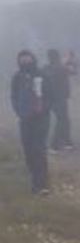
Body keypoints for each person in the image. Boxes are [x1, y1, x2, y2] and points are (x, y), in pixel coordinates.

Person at [10, 50, 51, 195]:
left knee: (38, 149)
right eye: (22, 60)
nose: (25, 62)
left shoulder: (42, 75)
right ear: (19, 61)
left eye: (28, 59)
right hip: (25, 119)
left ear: (33, 59)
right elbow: (14, 96)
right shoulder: (17, 77)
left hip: (41, 120)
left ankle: (41, 184)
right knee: (28, 151)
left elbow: (50, 95)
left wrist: (43, 108)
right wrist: (19, 111)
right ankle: (34, 177)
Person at [43, 49, 74, 152]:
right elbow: (72, 71)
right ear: (57, 57)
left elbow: (71, 71)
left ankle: (66, 142)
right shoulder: (58, 67)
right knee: (62, 120)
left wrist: (68, 61)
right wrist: (69, 60)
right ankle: (54, 145)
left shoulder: (47, 68)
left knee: (64, 120)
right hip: (58, 98)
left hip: (54, 98)